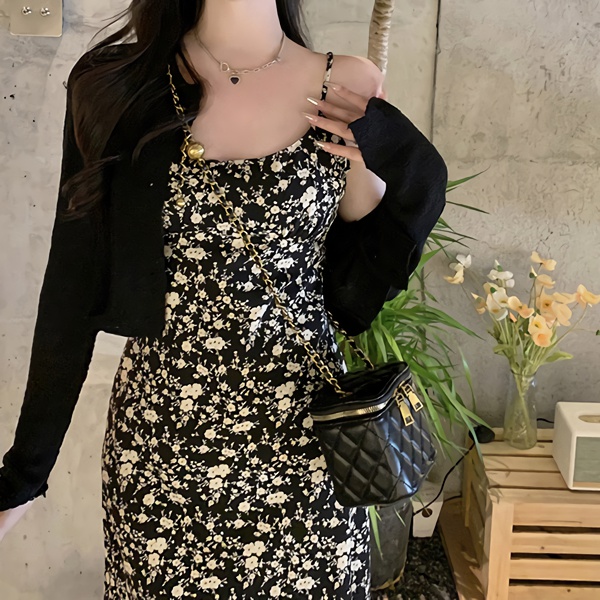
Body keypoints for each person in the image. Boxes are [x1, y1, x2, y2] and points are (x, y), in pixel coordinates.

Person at [0, 0, 448, 598]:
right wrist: (25, 471)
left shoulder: (345, 83)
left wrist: (405, 163)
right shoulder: (118, 85)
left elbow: (361, 281)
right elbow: (71, 285)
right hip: (163, 449)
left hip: (306, 447)